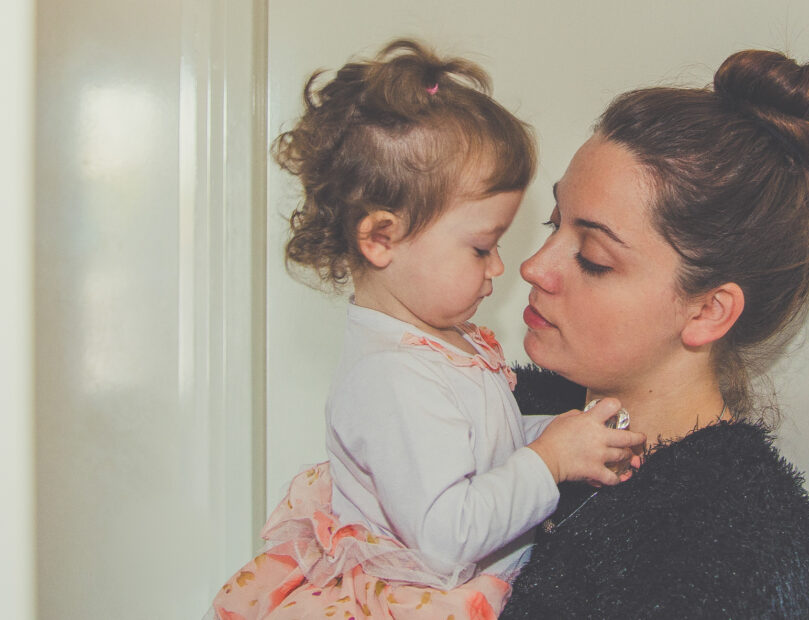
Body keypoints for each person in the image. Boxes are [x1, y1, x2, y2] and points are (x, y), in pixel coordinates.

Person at [208, 39, 642, 620]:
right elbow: (446, 535)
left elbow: (477, 443)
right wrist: (551, 460)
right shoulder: (391, 378)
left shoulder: (435, 343)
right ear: (381, 238)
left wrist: (560, 432)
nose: (498, 268)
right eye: (482, 247)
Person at [499, 49, 809, 619]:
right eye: (553, 223)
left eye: (592, 257)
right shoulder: (497, 402)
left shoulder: (735, 539)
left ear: (708, 311)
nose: (535, 267)